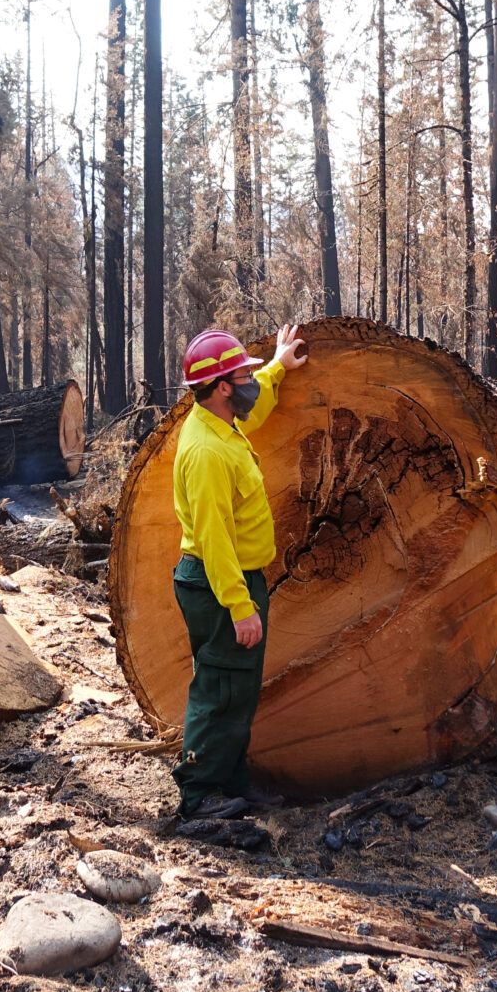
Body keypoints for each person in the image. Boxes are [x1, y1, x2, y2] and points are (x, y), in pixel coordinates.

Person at [171, 323, 307, 820]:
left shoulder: (220, 423)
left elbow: (257, 407)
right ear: (223, 387)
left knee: (239, 687)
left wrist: (275, 366)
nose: (250, 380)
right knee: (219, 687)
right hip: (217, 582)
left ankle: (231, 780)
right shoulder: (205, 451)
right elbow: (214, 540)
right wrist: (239, 605)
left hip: (233, 580)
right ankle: (197, 793)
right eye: (242, 375)